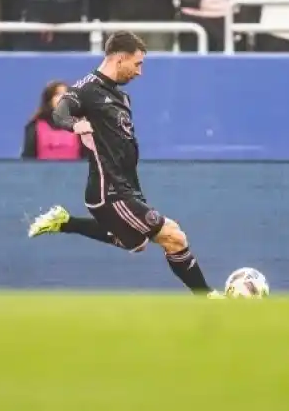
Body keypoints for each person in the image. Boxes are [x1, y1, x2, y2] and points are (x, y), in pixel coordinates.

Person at [26, 31, 224, 298]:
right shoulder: (86, 89)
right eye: (137, 64)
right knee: (174, 236)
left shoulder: (121, 97)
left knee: (137, 243)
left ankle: (64, 222)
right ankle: (209, 297)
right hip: (109, 190)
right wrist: (75, 125)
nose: (140, 72)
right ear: (119, 59)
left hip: (127, 186)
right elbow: (59, 113)